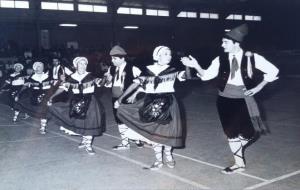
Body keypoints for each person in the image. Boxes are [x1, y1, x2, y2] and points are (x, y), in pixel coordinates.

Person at [181, 24, 279, 174]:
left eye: (225, 42)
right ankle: (239, 164)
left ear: (235, 43)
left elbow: (273, 71)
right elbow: (206, 75)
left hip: (244, 99)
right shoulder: (220, 58)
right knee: (231, 133)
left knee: (250, 133)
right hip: (224, 100)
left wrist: (258, 87)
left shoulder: (252, 58)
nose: (222, 45)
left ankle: (237, 150)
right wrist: (196, 65)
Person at [115, 46, 187, 170]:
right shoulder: (148, 70)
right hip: (150, 102)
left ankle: (168, 155)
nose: (169, 56)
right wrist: (121, 99)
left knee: (167, 131)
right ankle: (159, 160)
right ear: (157, 56)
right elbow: (134, 85)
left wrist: (188, 66)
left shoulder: (173, 70)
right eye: (165, 54)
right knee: (155, 132)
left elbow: (186, 76)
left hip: (168, 103)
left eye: (170, 54)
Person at [47, 57, 105, 155]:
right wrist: (51, 97)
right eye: (80, 64)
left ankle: (88, 145)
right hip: (76, 101)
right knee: (80, 122)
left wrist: (106, 79)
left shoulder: (91, 76)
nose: (83, 66)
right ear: (76, 65)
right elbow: (62, 88)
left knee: (90, 122)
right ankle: (84, 140)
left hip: (90, 101)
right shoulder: (71, 78)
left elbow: (101, 83)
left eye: (84, 64)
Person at [104, 45, 144, 150]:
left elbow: (144, 82)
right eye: (112, 58)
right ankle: (125, 143)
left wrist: (135, 94)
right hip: (114, 97)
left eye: (115, 59)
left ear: (122, 58)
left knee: (131, 120)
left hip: (128, 98)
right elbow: (108, 85)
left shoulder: (133, 68)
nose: (112, 61)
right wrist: (108, 80)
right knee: (119, 120)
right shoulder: (111, 68)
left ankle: (137, 139)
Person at [14, 61, 53, 134]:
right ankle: (42, 127)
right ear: (35, 68)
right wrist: (18, 94)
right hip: (35, 94)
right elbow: (25, 86)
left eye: (41, 67)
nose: (40, 68)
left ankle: (42, 127)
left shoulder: (48, 76)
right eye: (38, 67)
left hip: (46, 93)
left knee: (46, 108)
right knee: (41, 108)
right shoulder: (32, 77)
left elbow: (53, 86)